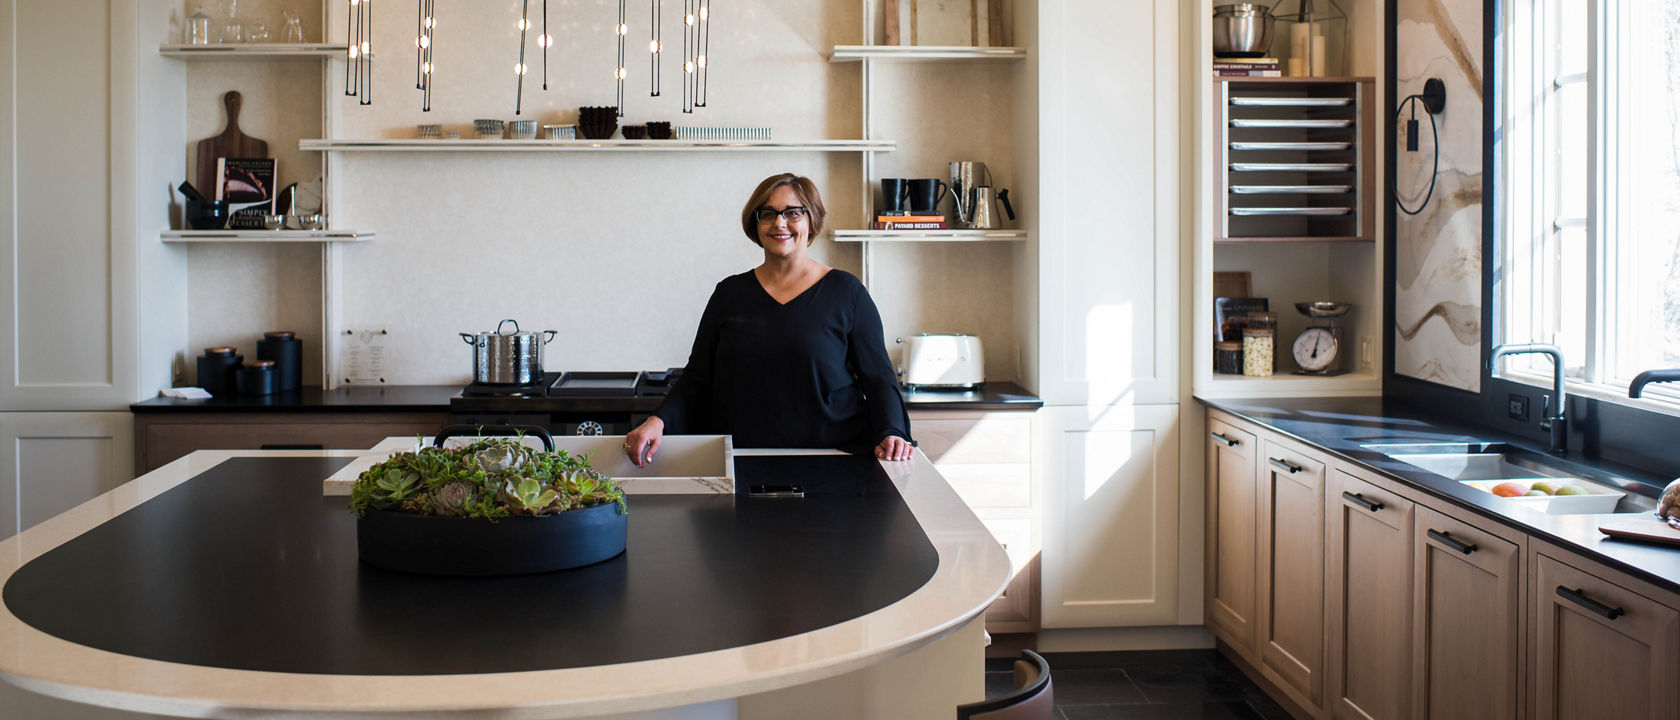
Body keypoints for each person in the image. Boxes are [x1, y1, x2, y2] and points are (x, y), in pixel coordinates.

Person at [623, 173, 914, 465]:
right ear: (755, 223)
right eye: (768, 214)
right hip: (741, 460)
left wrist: (892, 431)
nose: (779, 223)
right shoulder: (729, 294)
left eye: (792, 212)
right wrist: (658, 420)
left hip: (832, 459)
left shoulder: (847, 292)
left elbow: (878, 378)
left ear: (811, 219)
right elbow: (698, 377)